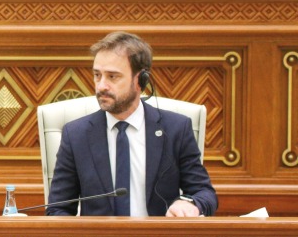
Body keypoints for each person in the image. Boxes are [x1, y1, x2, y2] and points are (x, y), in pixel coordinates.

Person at [47, 31, 216, 217]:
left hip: (158, 235)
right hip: (99, 236)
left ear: (140, 80)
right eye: (97, 75)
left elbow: (204, 193)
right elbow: (57, 209)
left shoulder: (176, 129)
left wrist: (191, 204)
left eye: (112, 76)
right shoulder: (76, 135)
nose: (101, 86)